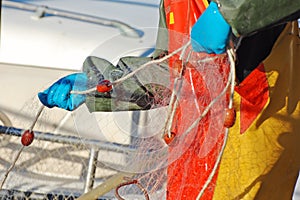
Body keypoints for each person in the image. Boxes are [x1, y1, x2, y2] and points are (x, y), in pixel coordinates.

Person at [38, 0, 300, 199]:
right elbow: (171, 71)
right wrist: (100, 85)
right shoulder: (173, 3)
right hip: (191, 155)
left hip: (251, 138)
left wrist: (231, 13)